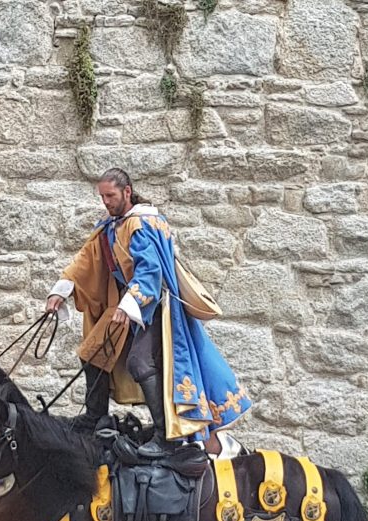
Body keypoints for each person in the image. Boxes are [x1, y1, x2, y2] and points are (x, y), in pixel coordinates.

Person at [45, 168, 251, 457]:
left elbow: (150, 272)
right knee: (92, 352)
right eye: (102, 196)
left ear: (127, 192)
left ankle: (165, 435)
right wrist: (60, 291)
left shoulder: (142, 224)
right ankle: (96, 417)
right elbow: (85, 261)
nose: (105, 202)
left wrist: (130, 306)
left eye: (111, 196)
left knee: (141, 364)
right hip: (126, 306)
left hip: (155, 309)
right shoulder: (111, 226)